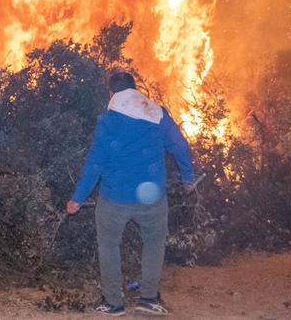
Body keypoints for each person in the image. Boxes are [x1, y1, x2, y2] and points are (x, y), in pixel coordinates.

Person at [67, 71, 197, 316]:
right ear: (135, 89)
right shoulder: (158, 114)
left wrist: (78, 198)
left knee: (108, 246)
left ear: (111, 93)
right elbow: (180, 145)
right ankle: (148, 298)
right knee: (154, 244)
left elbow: (95, 163)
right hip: (152, 199)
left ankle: (113, 302)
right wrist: (188, 177)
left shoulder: (108, 121)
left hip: (114, 199)